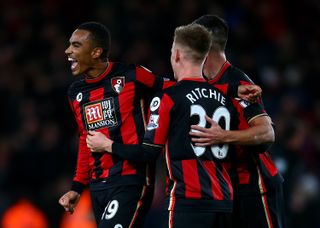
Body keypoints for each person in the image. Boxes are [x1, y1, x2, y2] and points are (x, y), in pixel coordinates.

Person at [86, 23, 266, 228]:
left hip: (188, 202)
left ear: (177, 55)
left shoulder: (167, 99)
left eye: (172, 51)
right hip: (225, 202)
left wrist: (108, 145)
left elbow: (148, 153)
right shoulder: (223, 97)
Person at [58, 21, 171, 228]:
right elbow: (86, 140)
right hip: (98, 185)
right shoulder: (75, 92)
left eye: (75, 45)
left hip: (131, 178)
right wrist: (77, 186)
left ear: (96, 52)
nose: (68, 51)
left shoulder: (131, 75)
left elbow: (173, 90)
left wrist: (227, 89)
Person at [190, 15, 285, 228]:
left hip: (254, 187)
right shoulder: (199, 84)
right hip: (224, 190)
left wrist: (223, 136)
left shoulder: (239, 83)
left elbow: (267, 133)